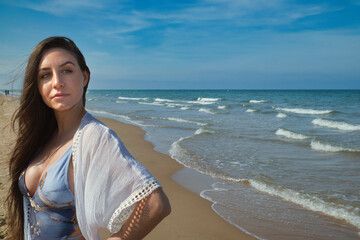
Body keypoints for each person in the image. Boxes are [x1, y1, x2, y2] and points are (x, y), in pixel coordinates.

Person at [5, 36, 171, 240]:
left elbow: (156, 204)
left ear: (84, 77)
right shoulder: (45, 135)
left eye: (66, 70)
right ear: (38, 85)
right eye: (45, 75)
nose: (57, 82)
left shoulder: (94, 136)